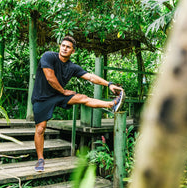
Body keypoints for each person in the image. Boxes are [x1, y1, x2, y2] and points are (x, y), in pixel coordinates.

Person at [31, 36, 124, 172]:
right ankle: (40, 159)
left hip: (59, 95)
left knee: (83, 98)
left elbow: (91, 77)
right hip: (42, 97)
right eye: (63, 45)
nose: (64, 48)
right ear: (59, 47)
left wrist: (109, 84)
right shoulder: (48, 57)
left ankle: (112, 104)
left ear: (73, 51)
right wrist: (63, 91)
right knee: (41, 128)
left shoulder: (72, 67)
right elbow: (50, 78)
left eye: (68, 47)